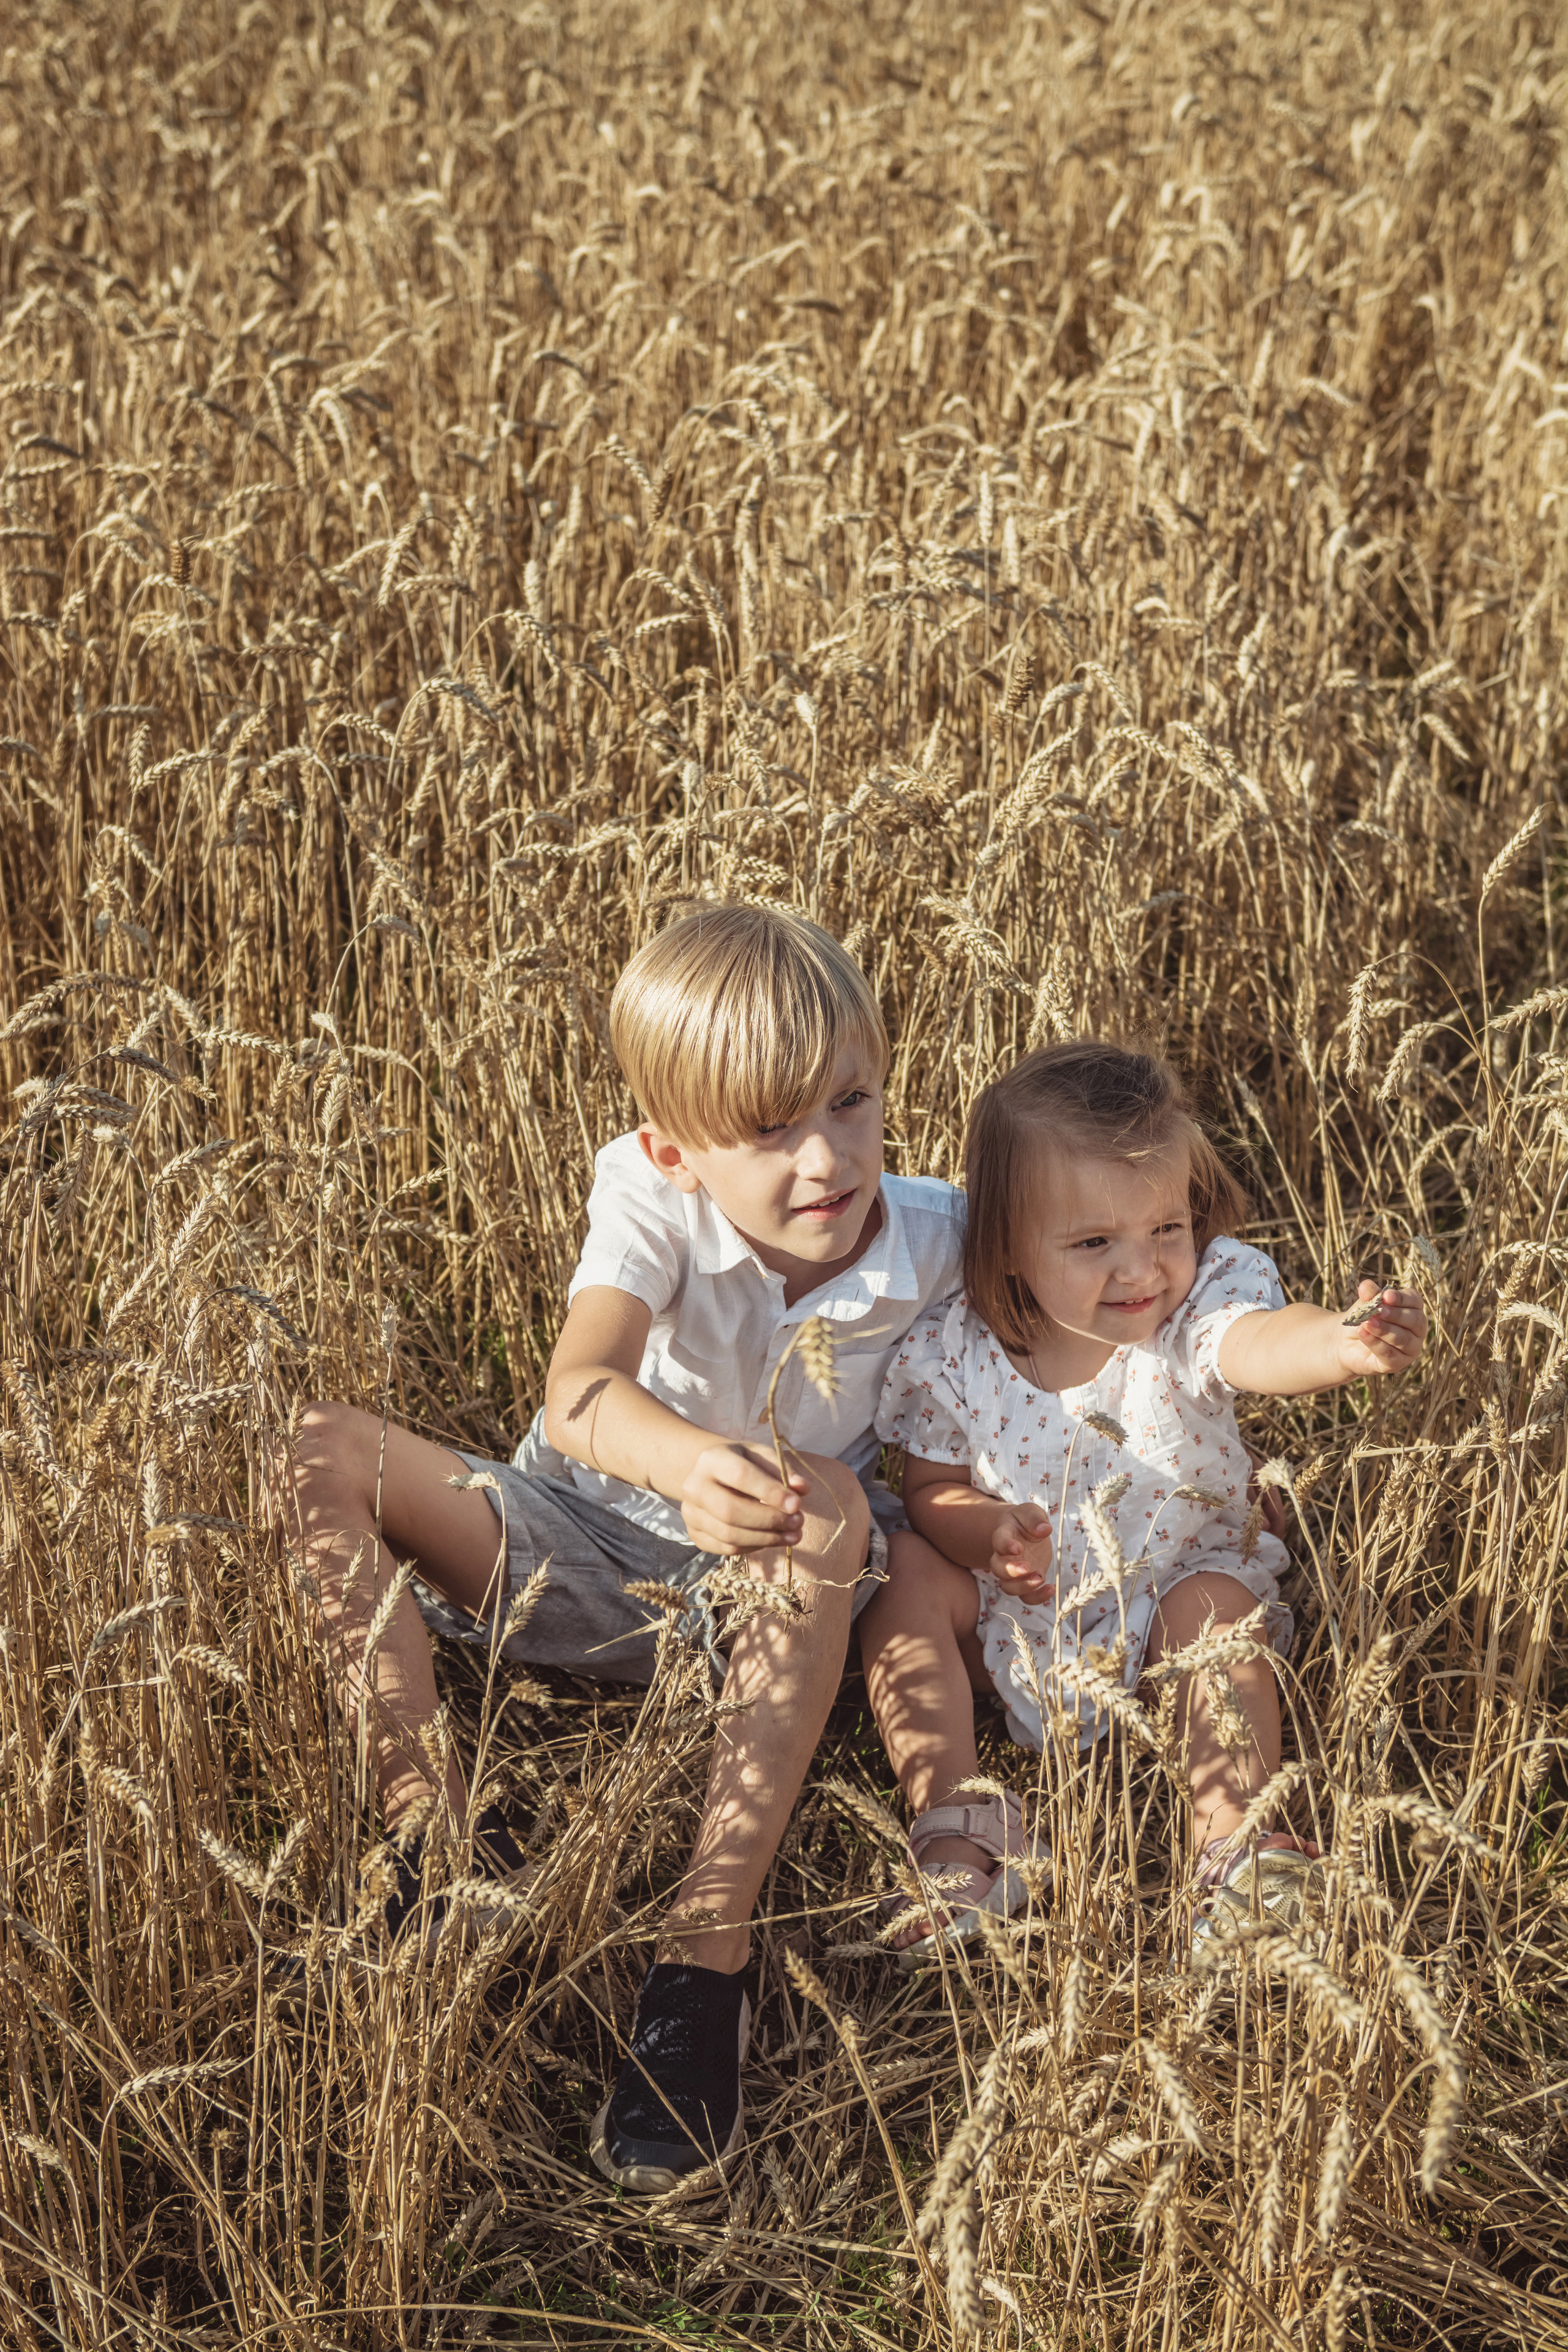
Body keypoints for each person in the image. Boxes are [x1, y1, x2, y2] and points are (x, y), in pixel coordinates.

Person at [277, 904, 963, 2188]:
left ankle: (704, 1956)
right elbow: (576, 1392)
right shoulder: (647, 1196)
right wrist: (688, 1461)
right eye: (769, 1129)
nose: (827, 1157)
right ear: (674, 1148)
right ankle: (429, 1833)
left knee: (823, 1498)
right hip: (575, 1546)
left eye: (853, 1103)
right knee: (319, 1445)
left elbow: (1088, 1341)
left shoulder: (936, 1235)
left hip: (777, 1604)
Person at [856, 1039, 1427, 1965]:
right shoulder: (954, 1352)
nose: (1143, 1271)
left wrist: (1341, 1344)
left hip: (1168, 1584)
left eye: (1166, 1228)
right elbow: (929, 1493)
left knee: (1218, 1612)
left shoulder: (1195, 1306)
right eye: (1094, 1244)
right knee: (907, 1576)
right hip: (1019, 1613)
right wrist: (988, 1531)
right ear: (1005, 1246)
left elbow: (1257, 1343)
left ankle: (1235, 1847)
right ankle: (961, 1822)